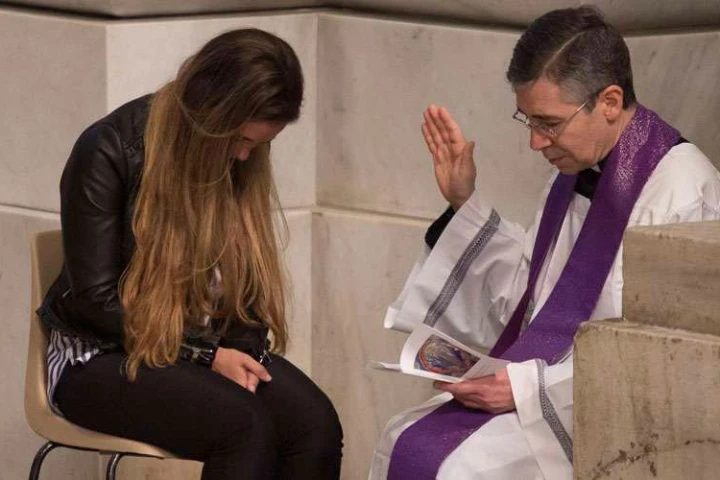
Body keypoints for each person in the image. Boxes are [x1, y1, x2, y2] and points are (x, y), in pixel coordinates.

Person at [370, 6, 720, 480]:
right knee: (400, 439)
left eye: (549, 123)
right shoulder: (572, 172)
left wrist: (527, 389)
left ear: (610, 102)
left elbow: (669, 362)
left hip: (609, 423)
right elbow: (533, 301)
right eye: (529, 121)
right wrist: (462, 204)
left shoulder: (685, 193)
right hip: (545, 391)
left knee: (459, 469)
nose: (536, 143)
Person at [39, 28, 343, 480]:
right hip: (99, 354)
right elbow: (94, 303)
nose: (245, 156)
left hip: (201, 343)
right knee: (243, 428)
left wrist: (237, 347)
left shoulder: (234, 160)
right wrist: (205, 355)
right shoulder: (109, 148)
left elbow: (244, 283)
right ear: (209, 113)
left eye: (259, 145)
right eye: (240, 139)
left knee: (313, 426)